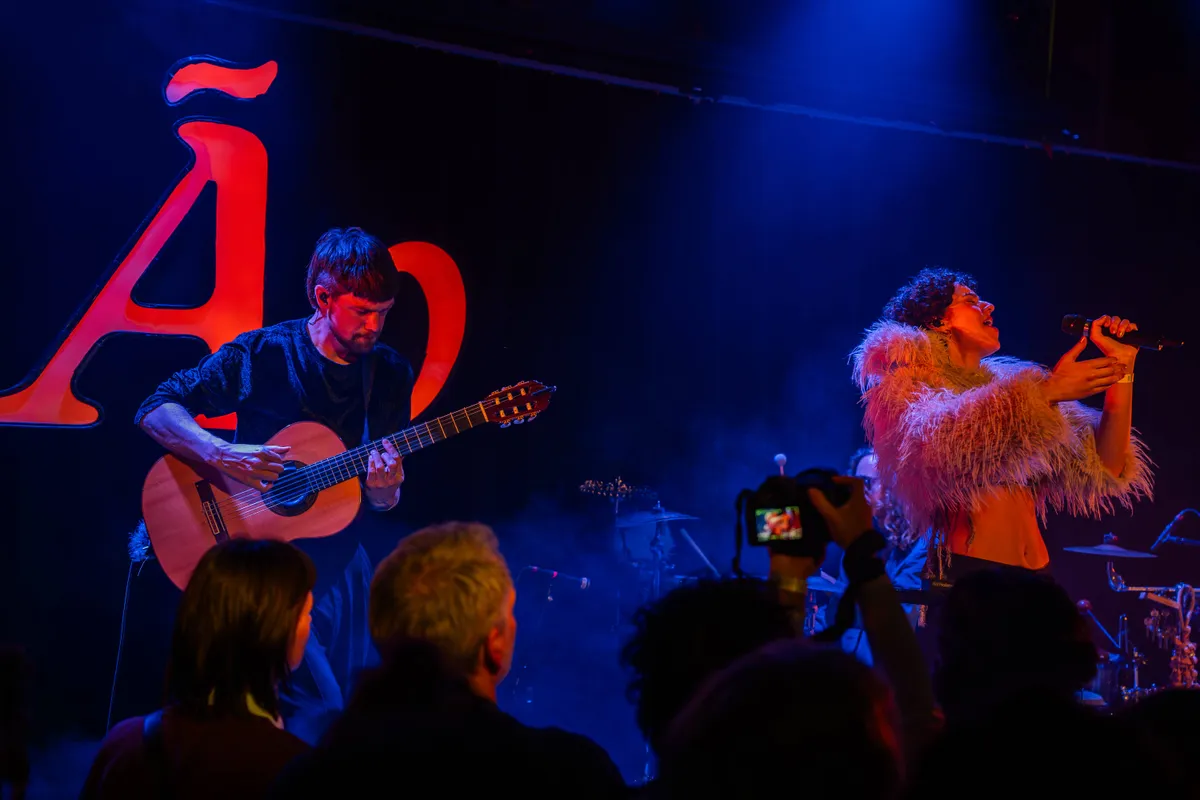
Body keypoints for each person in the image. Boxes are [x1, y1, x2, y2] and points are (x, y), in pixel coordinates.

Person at [135, 226, 413, 741]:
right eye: (361, 311)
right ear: (324, 298)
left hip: (340, 570)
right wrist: (220, 453)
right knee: (314, 713)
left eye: (384, 312)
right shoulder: (265, 354)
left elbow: (381, 495)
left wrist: (385, 490)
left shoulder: (391, 374)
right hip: (259, 567)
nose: (374, 326)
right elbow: (156, 408)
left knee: (346, 719)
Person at [269, 522, 627, 797]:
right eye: (509, 615)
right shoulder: (572, 774)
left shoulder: (305, 780)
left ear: (380, 631)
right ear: (494, 644)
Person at [851, 267, 1153, 574]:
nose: (989, 306)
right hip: (972, 576)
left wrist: (1122, 368)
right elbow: (941, 447)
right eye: (970, 301)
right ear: (938, 321)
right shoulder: (907, 380)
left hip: (1036, 573)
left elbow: (1106, 464)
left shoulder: (1017, 389)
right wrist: (1045, 393)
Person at [80, 539, 315, 799]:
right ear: (272, 629)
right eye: (306, 613)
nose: (310, 625)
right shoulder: (294, 769)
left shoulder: (124, 743)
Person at [821, 446, 927, 664]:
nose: (860, 493)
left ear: (896, 487)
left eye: (867, 483)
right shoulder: (862, 540)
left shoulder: (923, 545)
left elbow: (899, 620)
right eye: (855, 485)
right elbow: (837, 610)